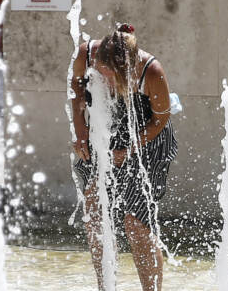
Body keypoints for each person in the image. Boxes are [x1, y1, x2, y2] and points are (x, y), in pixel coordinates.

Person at [70, 24, 178, 291]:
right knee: (94, 211)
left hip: (147, 136)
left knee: (136, 222)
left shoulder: (151, 71)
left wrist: (129, 150)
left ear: (129, 70)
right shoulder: (86, 54)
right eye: (102, 73)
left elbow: (161, 119)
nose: (105, 81)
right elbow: (76, 85)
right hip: (104, 130)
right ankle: (105, 287)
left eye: (111, 77)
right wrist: (80, 129)